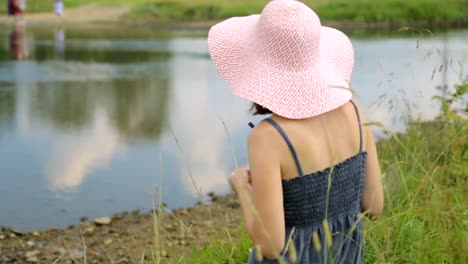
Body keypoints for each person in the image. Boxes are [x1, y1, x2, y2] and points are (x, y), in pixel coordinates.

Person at [208, 0, 384, 263]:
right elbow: (374, 208)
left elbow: (271, 246)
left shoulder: (269, 137)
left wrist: (244, 188)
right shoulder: (355, 110)